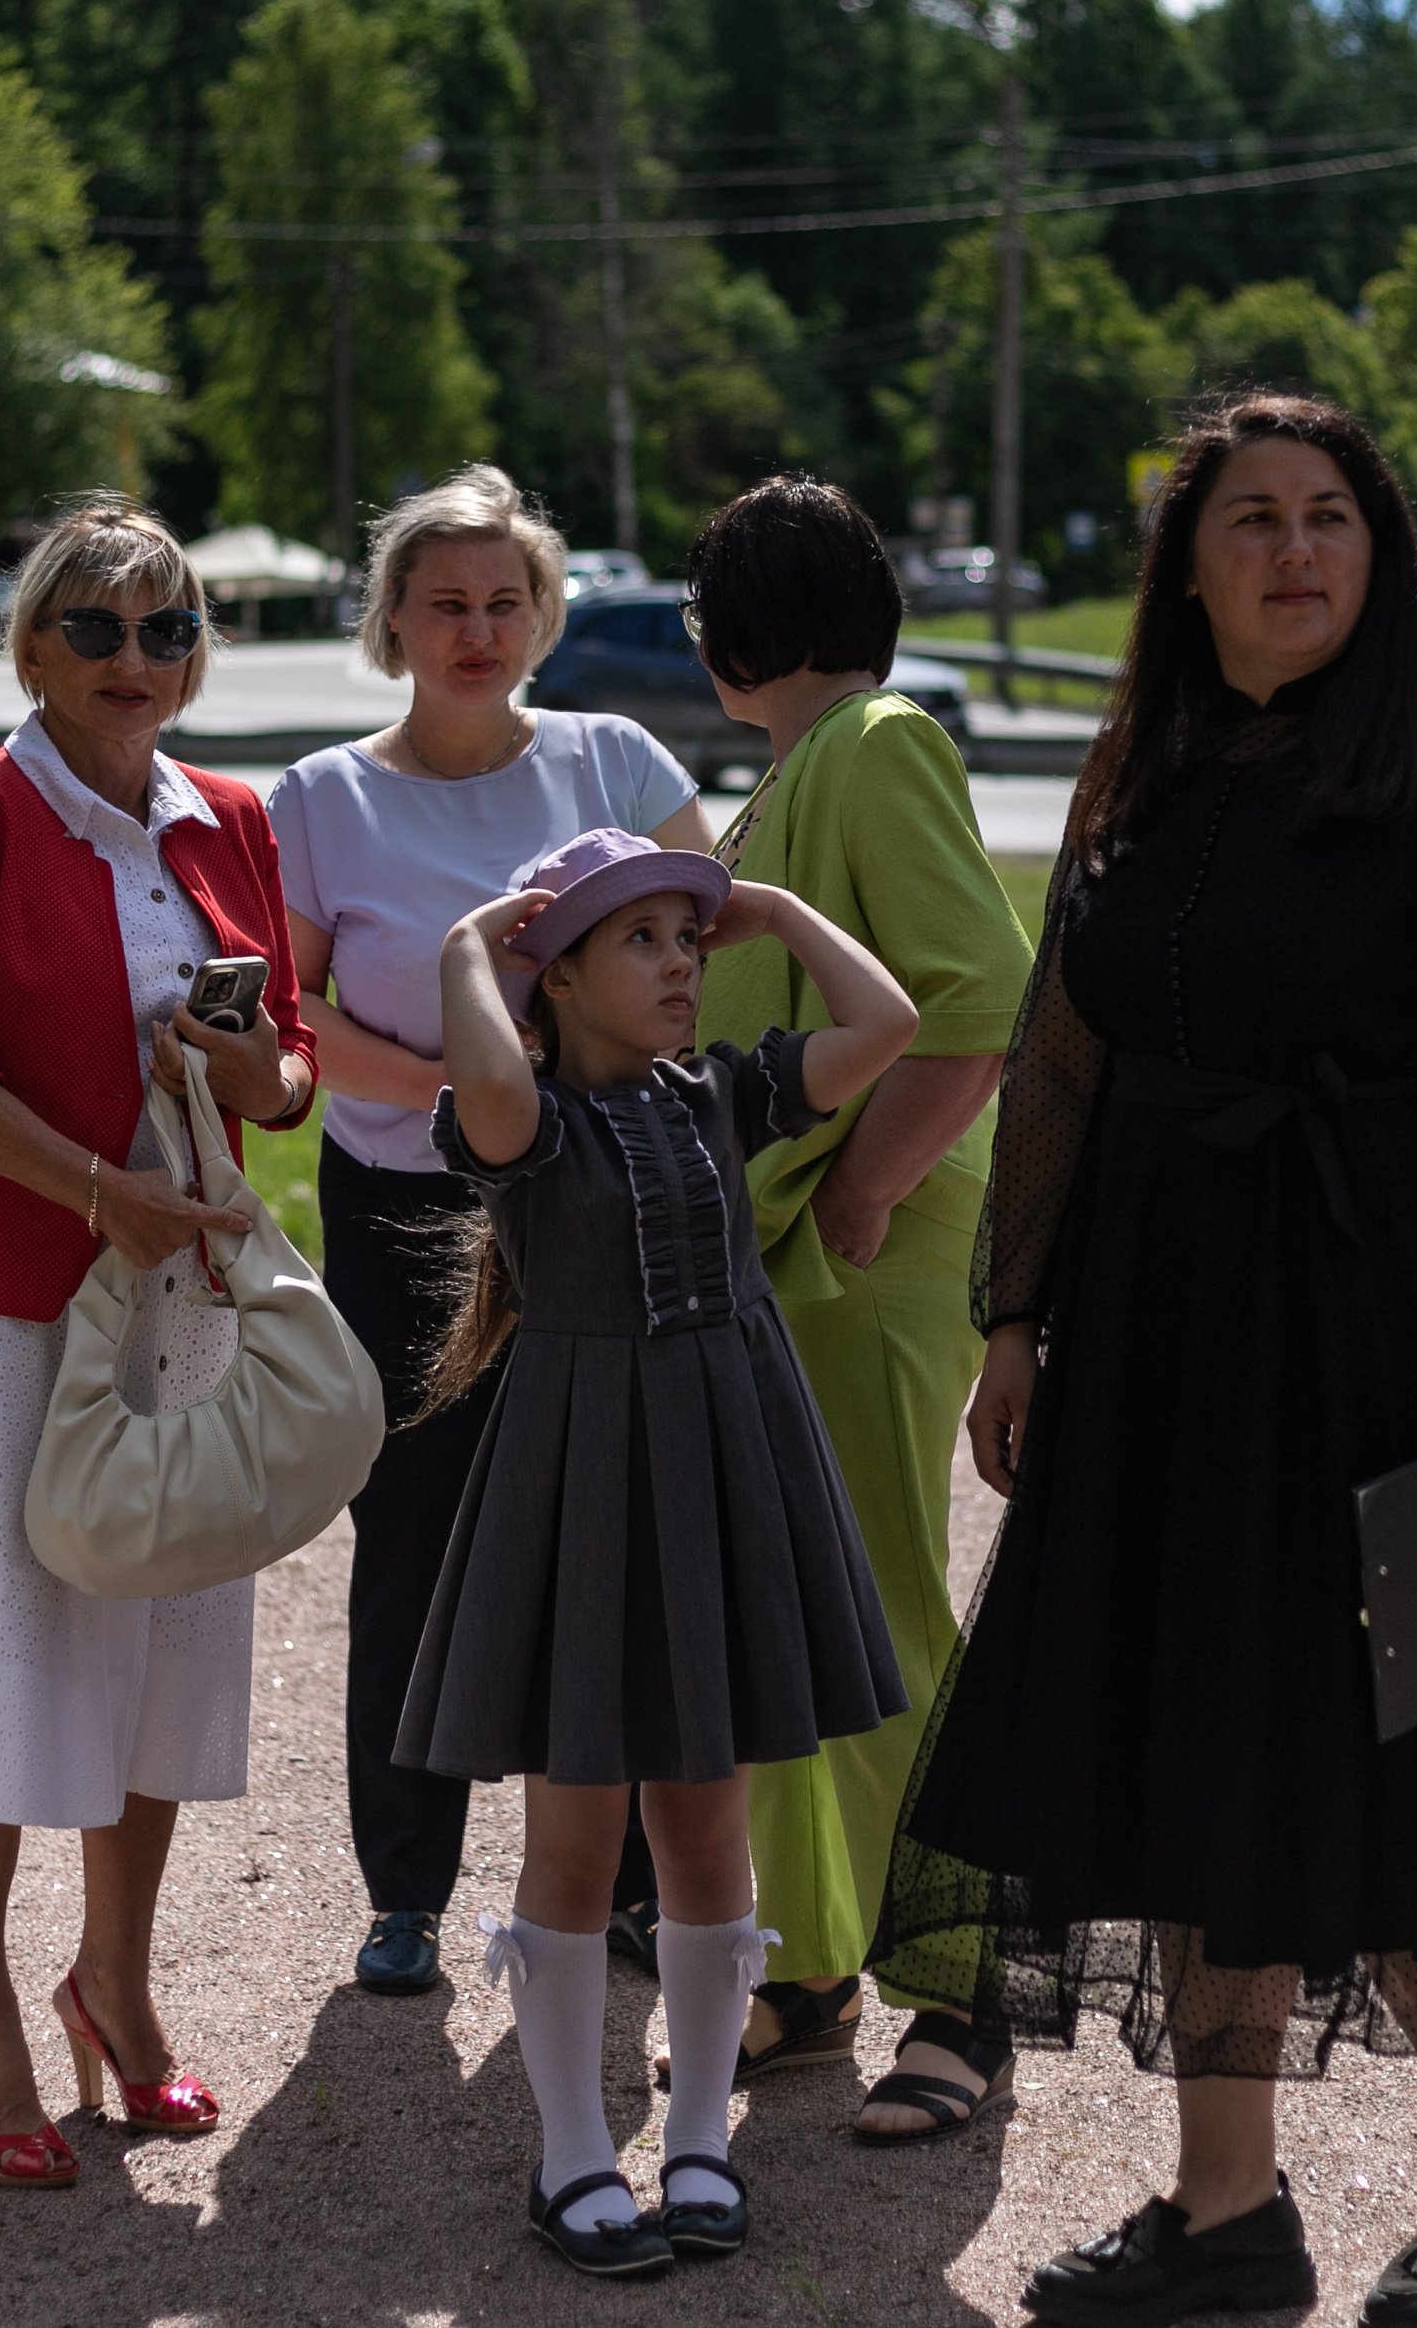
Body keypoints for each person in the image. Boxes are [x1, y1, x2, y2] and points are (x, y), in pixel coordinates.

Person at [870, 394, 1417, 2328]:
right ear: (1188, 565)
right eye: (1253, 518)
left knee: (1404, 1733)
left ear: (1382, 550)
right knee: (1192, 1730)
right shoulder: (1143, 763)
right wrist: (1013, 1314)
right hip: (1157, 1327)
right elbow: (1059, 1055)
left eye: (1331, 515)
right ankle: (1226, 2209)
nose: (1294, 550)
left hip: (1373, 1317)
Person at [0, 497, 318, 2188]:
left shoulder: (233, 820)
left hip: (179, 1293)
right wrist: (97, 1191)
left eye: (168, 628)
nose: (137, 658)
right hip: (0, 1290)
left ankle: (113, 1979)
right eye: (100, 627)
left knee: (164, 1630)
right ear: (33, 648)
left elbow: (287, 1065)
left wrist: (260, 1072)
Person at [399, 829, 917, 2275]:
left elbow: (890, 1024)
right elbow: (490, 1078)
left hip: (724, 1468)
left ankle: (698, 2139)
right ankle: (572, 2150)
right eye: (643, 940)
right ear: (556, 977)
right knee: (575, 1835)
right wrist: (469, 945)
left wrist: (782, 911)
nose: (686, 963)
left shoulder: (719, 1093)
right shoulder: (530, 1125)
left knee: (703, 1825)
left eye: (692, 938)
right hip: (582, 1482)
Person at [266, 465, 710, 1999]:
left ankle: (630, 1885)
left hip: (598, 1195)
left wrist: (553, 1100)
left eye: (504, 601)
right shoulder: (321, 798)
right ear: (390, 619)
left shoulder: (618, 759)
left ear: (544, 615)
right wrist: (468, 1086)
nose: (476, 628)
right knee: (413, 1537)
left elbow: (698, 956)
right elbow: (293, 1013)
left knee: (614, 1530)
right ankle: (406, 1887)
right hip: (403, 1202)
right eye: (445, 602)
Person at [676, 478, 1035, 2138]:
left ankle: (967, 1988)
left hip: (865, 1253)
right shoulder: (795, 770)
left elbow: (979, 1000)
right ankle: (813, 1966)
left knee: (878, 1614)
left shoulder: (878, 741)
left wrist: (867, 1192)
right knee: (787, 1623)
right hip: (794, 1259)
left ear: (741, 629)